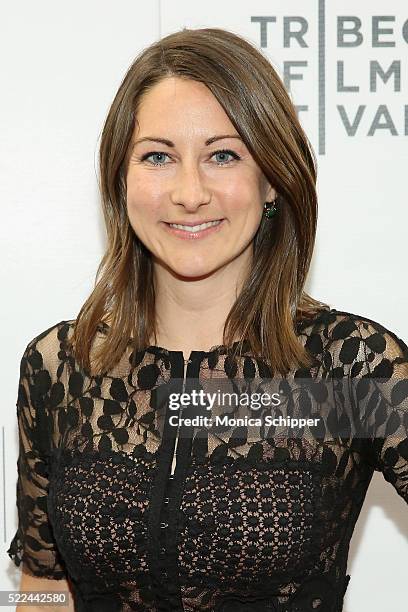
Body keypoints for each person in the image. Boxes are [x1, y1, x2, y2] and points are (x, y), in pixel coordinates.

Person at [7, 27, 408, 612]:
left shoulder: (349, 367)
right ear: (121, 180)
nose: (189, 192)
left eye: (223, 155)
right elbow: (44, 588)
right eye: (158, 157)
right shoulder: (62, 367)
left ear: (271, 177)